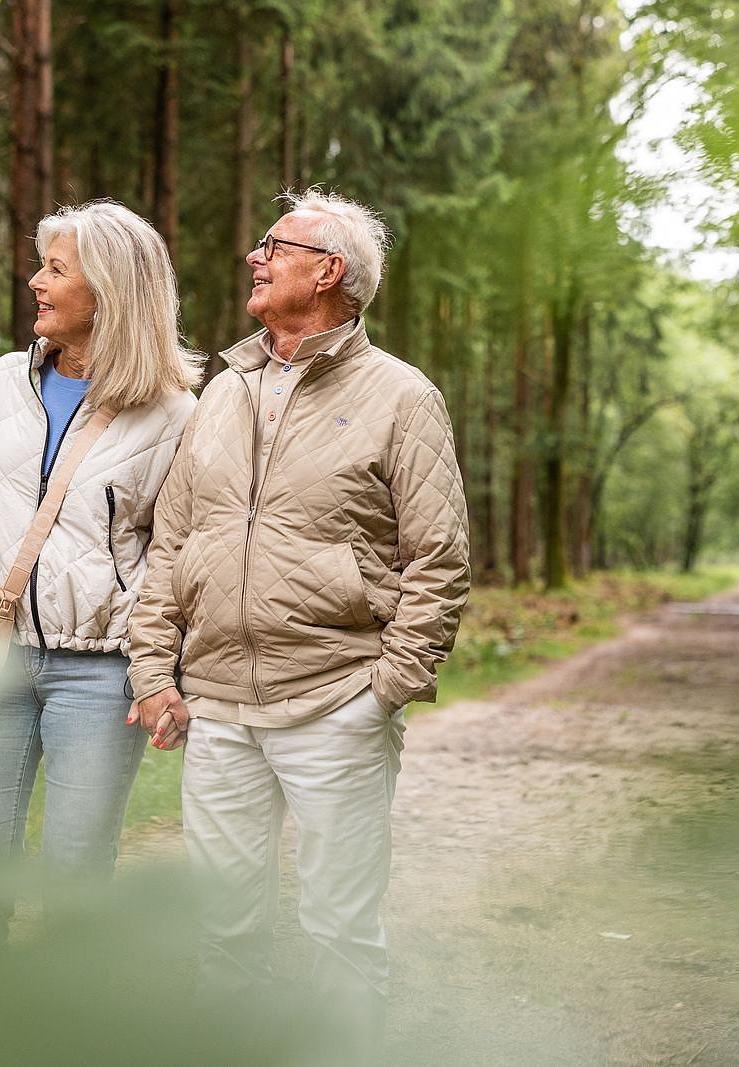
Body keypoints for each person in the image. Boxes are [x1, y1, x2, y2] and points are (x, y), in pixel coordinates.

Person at [126, 188, 470, 1022]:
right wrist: (151, 669)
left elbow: (439, 556)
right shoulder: (224, 391)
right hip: (219, 711)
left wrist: (387, 686)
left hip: (335, 700)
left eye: (273, 245)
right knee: (222, 928)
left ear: (329, 271)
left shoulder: (402, 396)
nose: (255, 256)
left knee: (339, 929)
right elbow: (172, 540)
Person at [0, 201, 200, 875]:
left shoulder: (174, 414)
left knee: (76, 873)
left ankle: (69, 986)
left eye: (55, 269)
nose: (35, 282)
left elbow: (181, 562)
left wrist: (166, 676)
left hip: (102, 672)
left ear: (109, 290)